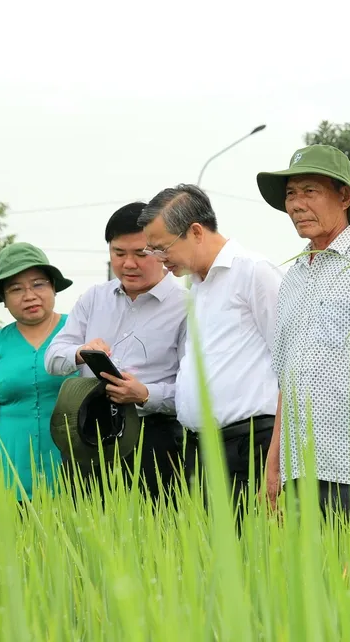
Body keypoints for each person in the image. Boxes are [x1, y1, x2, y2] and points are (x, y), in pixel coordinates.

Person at [256, 144, 350, 531]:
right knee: (308, 584)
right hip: (298, 469)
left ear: (344, 196)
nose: (296, 205)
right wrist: (273, 465)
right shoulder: (292, 279)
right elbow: (285, 381)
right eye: (291, 194)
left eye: (310, 191)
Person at [138, 184, 283, 515]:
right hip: (200, 450)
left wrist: (275, 464)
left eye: (161, 249)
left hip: (249, 449)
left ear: (196, 231)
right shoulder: (198, 286)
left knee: (251, 558)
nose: (159, 260)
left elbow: (293, 370)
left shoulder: (254, 273)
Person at [45, 202, 187, 503]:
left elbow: (195, 390)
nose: (128, 264)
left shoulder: (186, 307)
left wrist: (146, 393)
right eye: (118, 253)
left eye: (141, 253)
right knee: (84, 531)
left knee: (157, 535)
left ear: (161, 251)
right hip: (88, 433)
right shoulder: (93, 298)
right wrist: (82, 352)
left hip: (153, 438)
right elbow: (53, 357)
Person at [0, 243, 74, 505]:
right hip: (9, 480)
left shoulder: (78, 332)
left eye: (38, 284)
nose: (29, 295)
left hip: (77, 478)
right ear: (4, 299)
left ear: (53, 287)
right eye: (16, 289)